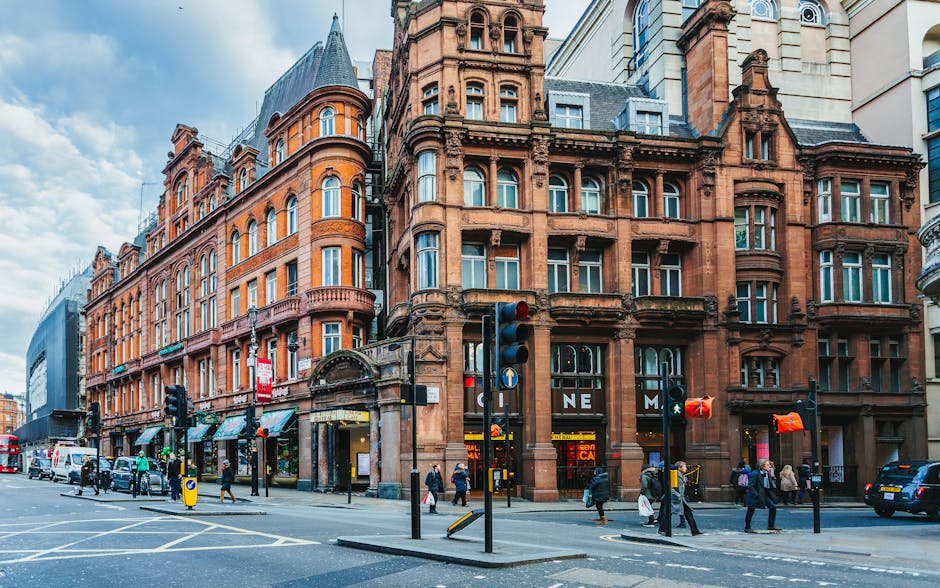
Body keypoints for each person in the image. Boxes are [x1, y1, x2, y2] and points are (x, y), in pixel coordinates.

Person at [659, 461, 703, 536]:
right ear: (679, 468)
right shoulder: (674, 475)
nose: (686, 468)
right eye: (684, 467)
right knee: (668, 513)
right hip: (674, 499)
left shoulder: (680, 475)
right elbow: (671, 488)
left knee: (688, 513)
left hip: (680, 499)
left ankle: (695, 530)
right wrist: (678, 495)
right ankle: (662, 529)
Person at [745, 458, 781, 533]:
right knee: (751, 510)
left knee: (773, 507)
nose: (769, 466)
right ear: (762, 466)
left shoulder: (767, 473)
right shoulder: (755, 473)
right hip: (755, 495)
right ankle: (747, 527)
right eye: (767, 465)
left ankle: (771, 526)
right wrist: (756, 495)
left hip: (764, 494)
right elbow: (750, 485)